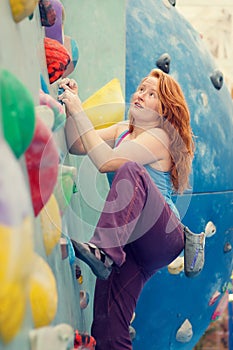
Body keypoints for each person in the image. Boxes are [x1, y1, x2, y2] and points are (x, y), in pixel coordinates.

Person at [59, 69, 204, 350]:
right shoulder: (123, 130)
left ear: (164, 110)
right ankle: (107, 254)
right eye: (141, 89)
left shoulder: (159, 136)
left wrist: (79, 110)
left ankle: (104, 252)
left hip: (161, 233)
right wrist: (71, 105)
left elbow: (105, 162)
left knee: (132, 170)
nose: (141, 95)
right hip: (131, 245)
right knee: (107, 325)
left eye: (153, 95)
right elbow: (76, 144)